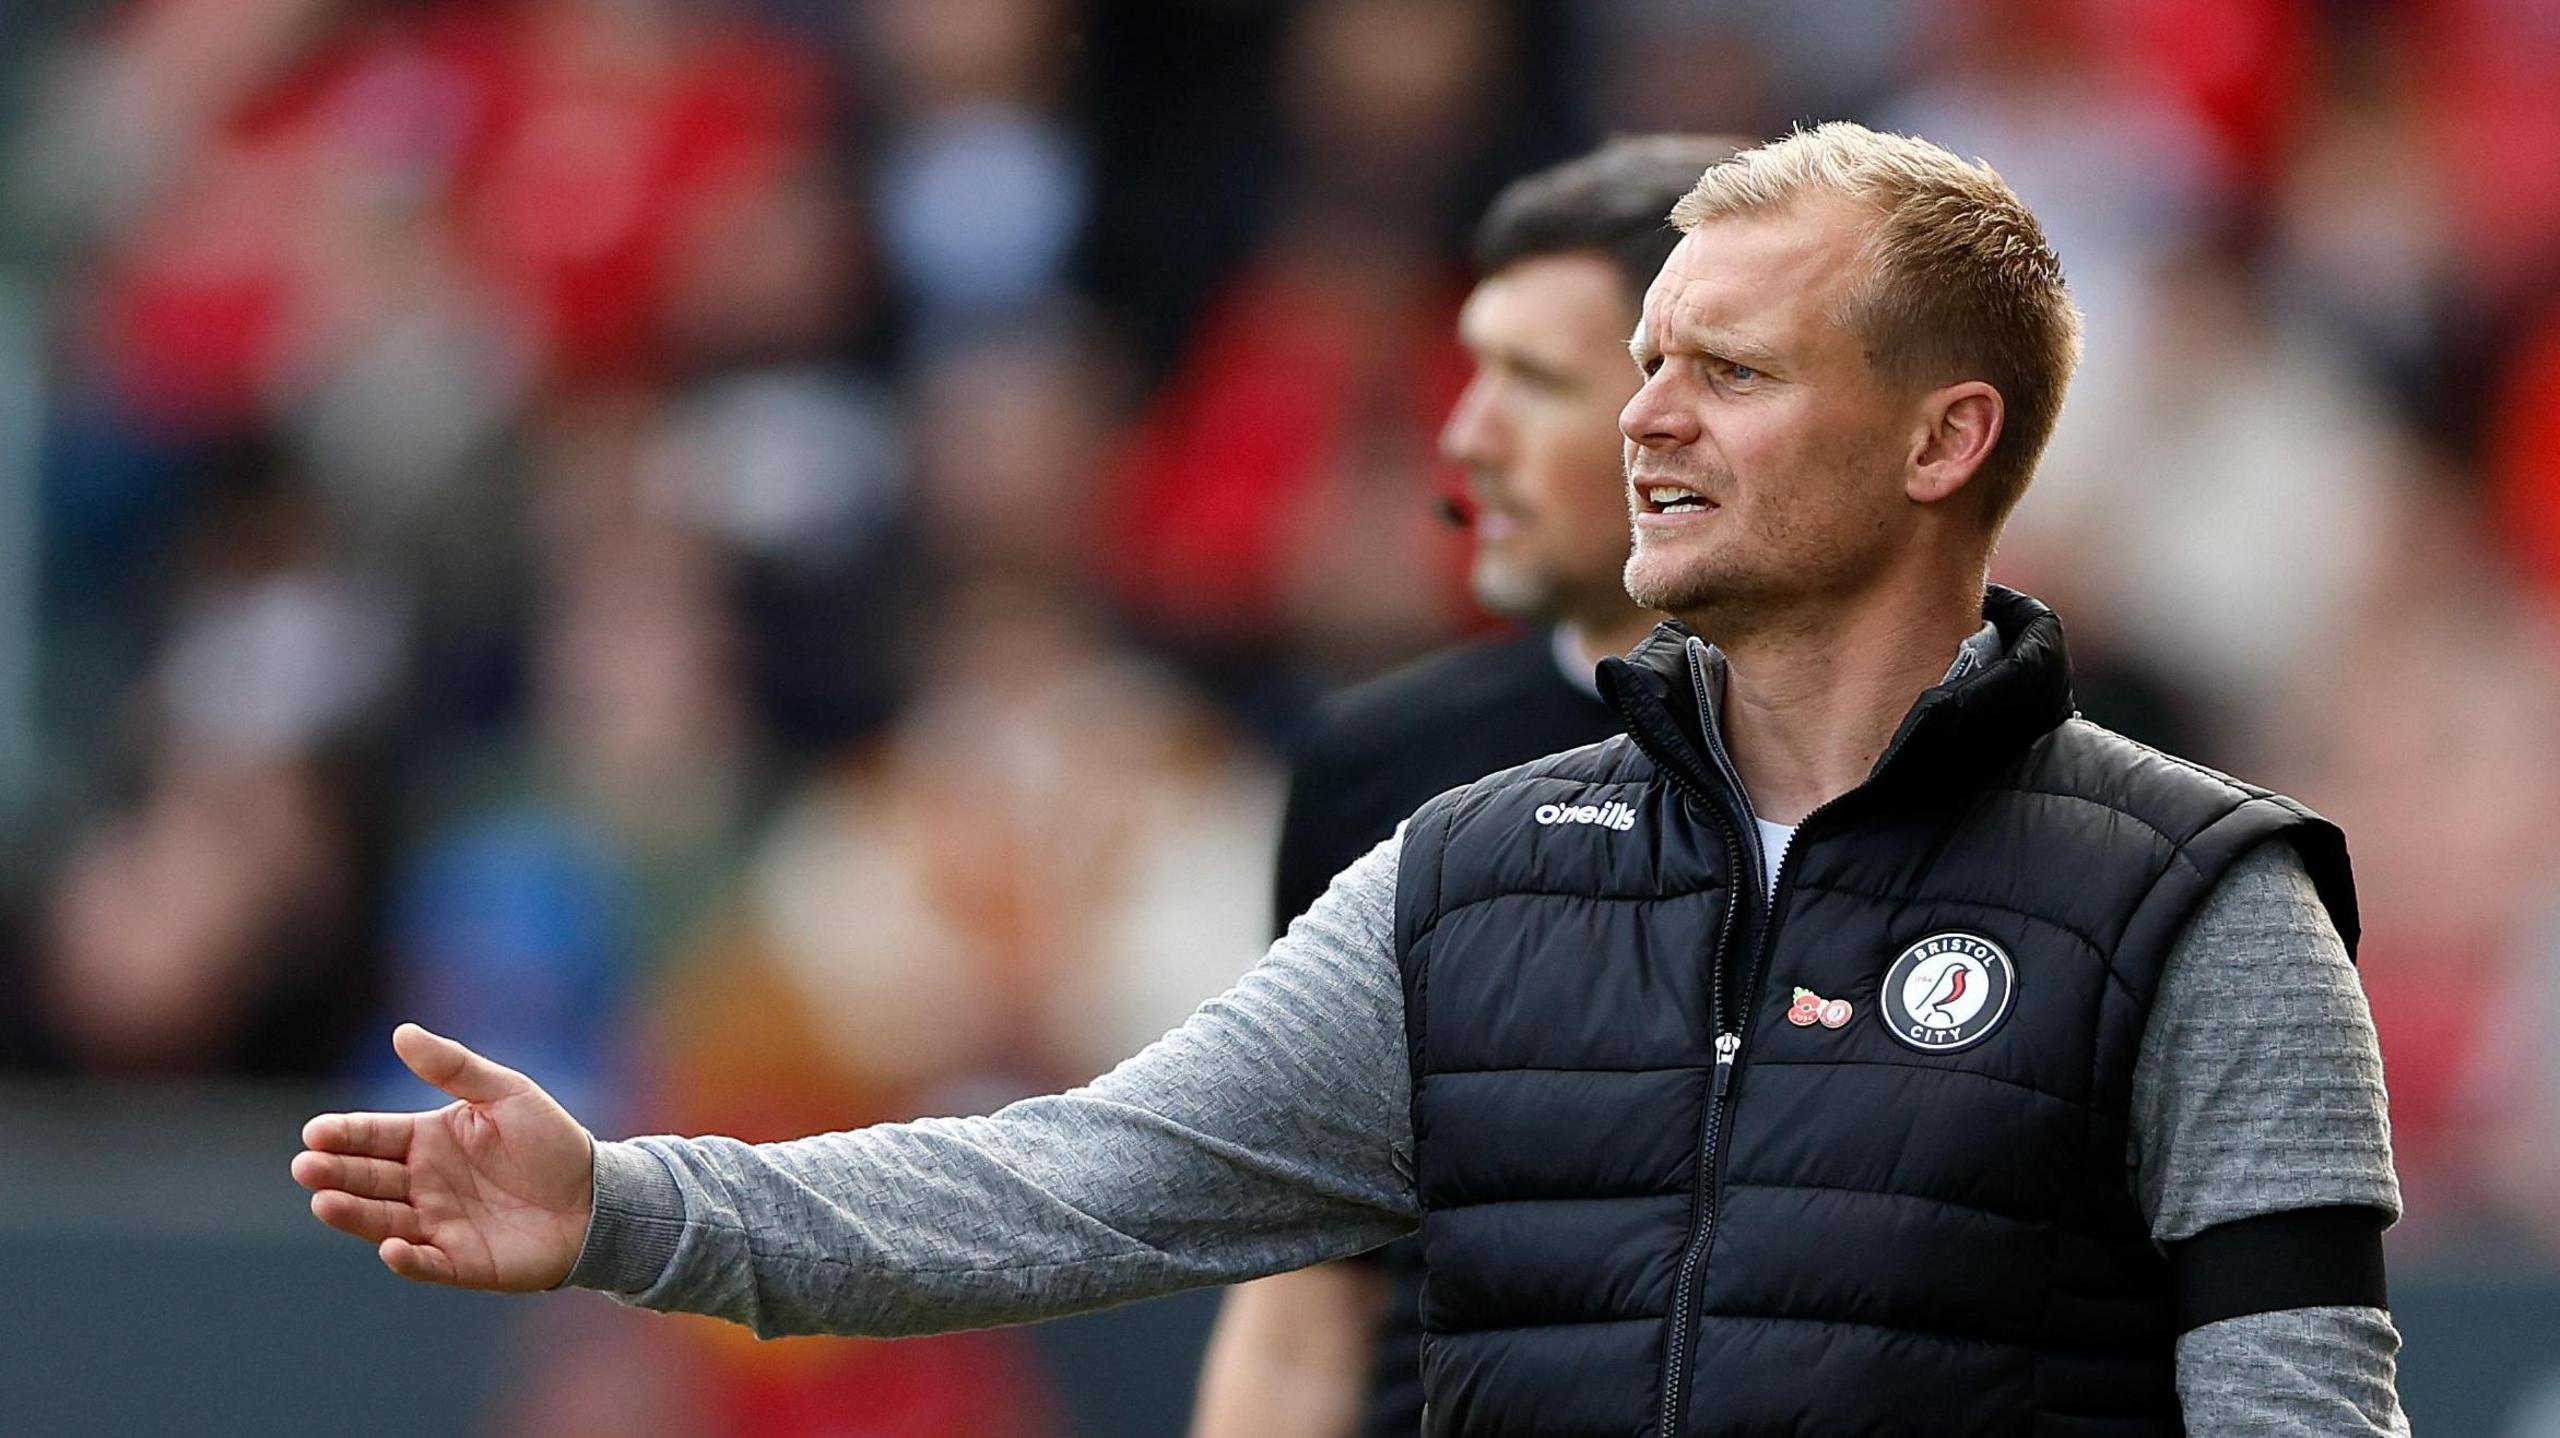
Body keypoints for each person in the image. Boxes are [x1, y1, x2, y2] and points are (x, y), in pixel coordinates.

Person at [294, 123, 2406, 1436]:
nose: (1646, 423)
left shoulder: (2195, 904)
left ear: (1945, 439)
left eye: (1728, 372)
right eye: (1644, 359)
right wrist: (626, 1206)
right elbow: (1062, 1184)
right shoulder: (1462, 872)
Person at [1188, 134, 1740, 1438]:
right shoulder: (1376, 767)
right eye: (1471, 369)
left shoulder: (1929, 761)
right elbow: (1304, 1294)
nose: (1463, 437)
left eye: (1531, 383)